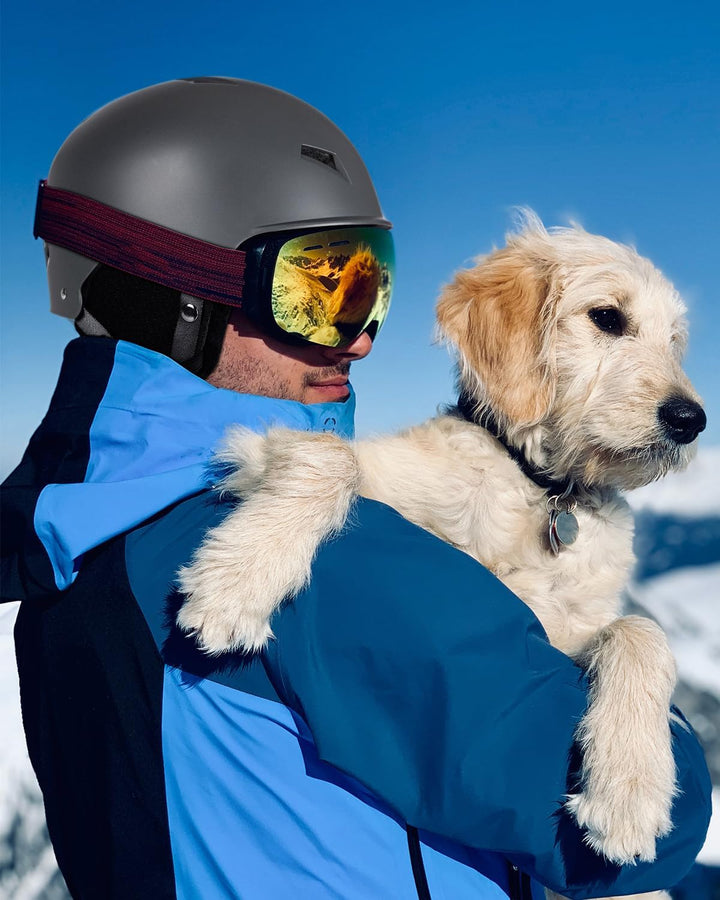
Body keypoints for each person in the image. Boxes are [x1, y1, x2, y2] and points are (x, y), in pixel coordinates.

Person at [1, 77, 710, 900]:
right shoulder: (336, 562)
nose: (362, 337)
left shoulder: (77, 538)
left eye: (370, 286)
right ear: (179, 298)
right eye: (316, 289)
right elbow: (640, 840)